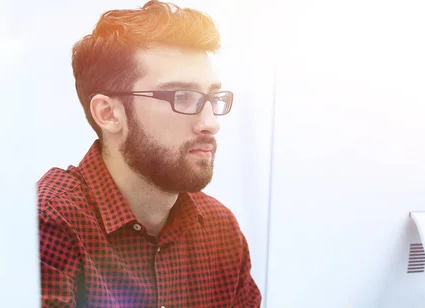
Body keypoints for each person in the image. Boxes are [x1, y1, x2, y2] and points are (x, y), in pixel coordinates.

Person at [37, 0, 262, 307]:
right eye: (183, 97)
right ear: (109, 113)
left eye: (212, 97)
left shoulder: (220, 230)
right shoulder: (50, 223)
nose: (210, 123)